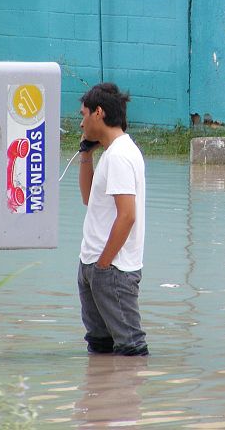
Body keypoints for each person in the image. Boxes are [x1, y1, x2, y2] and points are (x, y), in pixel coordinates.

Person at [77, 82, 149, 356]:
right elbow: (88, 198)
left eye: (83, 115)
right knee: (100, 347)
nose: (81, 123)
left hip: (112, 268)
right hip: (92, 262)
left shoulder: (120, 155)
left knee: (131, 349)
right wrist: (85, 155)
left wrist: (104, 265)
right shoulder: (110, 153)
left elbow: (127, 216)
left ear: (98, 113)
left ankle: (123, 397)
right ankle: (100, 396)